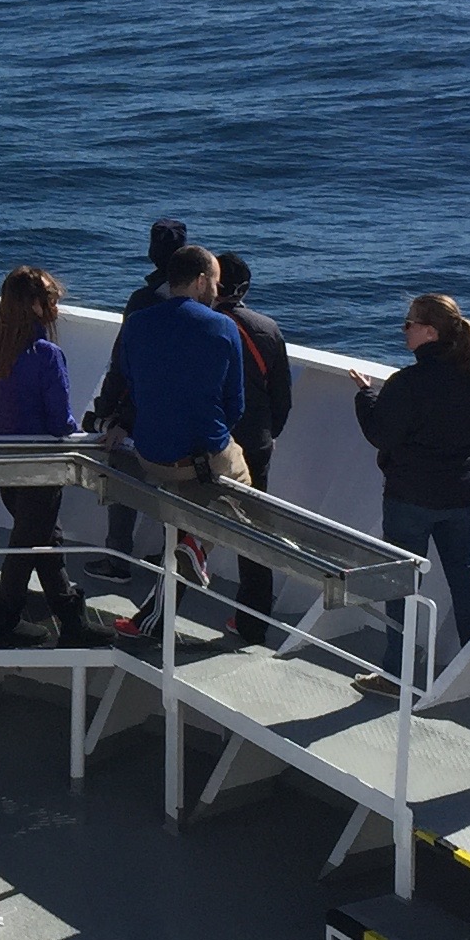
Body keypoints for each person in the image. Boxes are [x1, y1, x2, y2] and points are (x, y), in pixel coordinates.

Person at [350, 293, 470, 687]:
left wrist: (365, 396)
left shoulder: (407, 383)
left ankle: (395, 675)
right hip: (462, 495)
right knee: (464, 577)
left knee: (401, 582)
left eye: (409, 323)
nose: (404, 329)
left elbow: (381, 434)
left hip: (409, 497)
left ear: (430, 332)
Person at [110, 245, 251, 645]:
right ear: (202, 281)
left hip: (150, 455)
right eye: (216, 282)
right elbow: (235, 406)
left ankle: (183, 558)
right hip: (197, 460)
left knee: (183, 513)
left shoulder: (137, 322)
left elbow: (130, 381)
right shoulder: (222, 327)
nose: (217, 290)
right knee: (242, 483)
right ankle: (199, 543)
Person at [0, 265, 89, 645]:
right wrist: (85, 435)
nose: (55, 306)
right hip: (41, 467)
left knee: (43, 541)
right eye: (51, 299)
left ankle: (72, 620)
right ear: (36, 306)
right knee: (28, 547)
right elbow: (60, 422)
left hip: (5, 462)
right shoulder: (47, 355)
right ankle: (5, 623)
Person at [88, 217, 190, 584]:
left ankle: (118, 559)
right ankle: (171, 558)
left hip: (139, 414)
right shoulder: (201, 305)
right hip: (182, 415)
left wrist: (106, 413)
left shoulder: (144, 301)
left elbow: (123, 363)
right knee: (176, 491)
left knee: (124, 482)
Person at [216, 253, 296, 646]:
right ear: (245, 288)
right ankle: (252, 621)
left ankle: (161, 609)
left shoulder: (205, 324)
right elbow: (282, 397)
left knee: (183, 521)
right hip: (255, 442)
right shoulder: (268, 328)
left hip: (212, 441)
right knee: (253, 532)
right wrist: (267, 434)